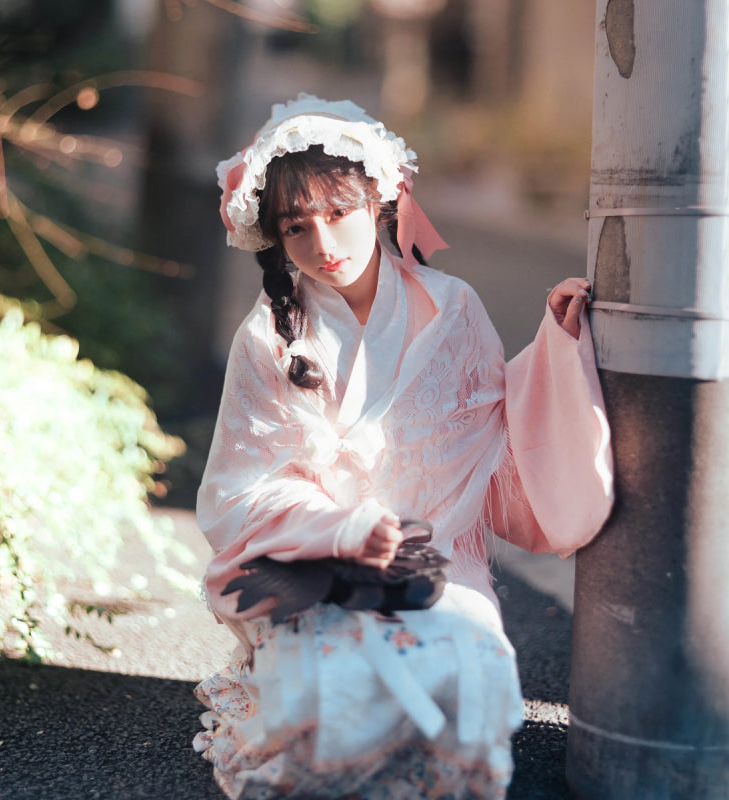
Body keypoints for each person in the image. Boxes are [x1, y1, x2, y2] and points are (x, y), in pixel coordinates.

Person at [193, 93, 613, 800]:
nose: (323, 244)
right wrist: (346, 529)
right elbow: (242, 487)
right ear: (274, 236)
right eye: (296, 226)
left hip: (439, 556)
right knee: (335, 697)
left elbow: (497, 453)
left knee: (456, 665)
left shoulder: (454, 309)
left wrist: (557, 349)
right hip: (318, 559)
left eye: (338, 213)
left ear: (379, 202)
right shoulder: (268, 337)